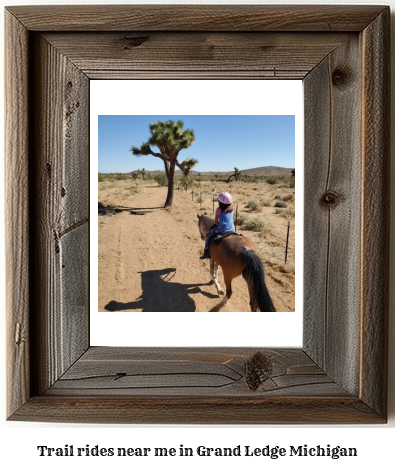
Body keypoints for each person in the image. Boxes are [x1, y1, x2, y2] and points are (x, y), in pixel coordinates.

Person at [200, 191, 235, 259]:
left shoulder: (218, 210)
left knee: (208, 234)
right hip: (232, 229)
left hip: (222, 229)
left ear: (220, 202)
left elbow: (216, 222)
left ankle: (206, 251)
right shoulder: (232, 209)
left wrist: (220, 224)